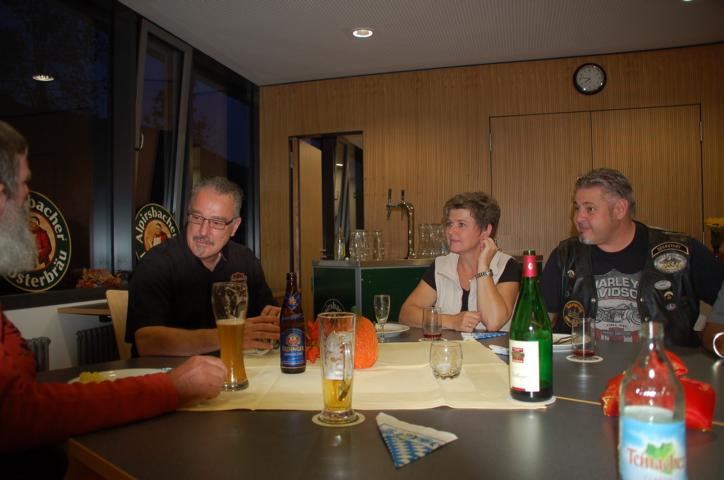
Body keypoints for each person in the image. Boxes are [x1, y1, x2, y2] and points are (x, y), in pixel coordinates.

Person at [0, 121, 227, 465]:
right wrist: (169, 388)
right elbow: (19, 414)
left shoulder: (242, 260)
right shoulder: (158, 262)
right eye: (22, 182)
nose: (27, 195)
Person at [540, 168, 724, 352]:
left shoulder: (681, 251)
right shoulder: (565, 256)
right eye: (577, 208)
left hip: (663, 367)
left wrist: (715, 338)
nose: (578, 218)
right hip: (582, 367)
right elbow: (538, 322)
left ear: (620, 209)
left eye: (590, 209)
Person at [126, 176, 280, 356]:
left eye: (217, 222)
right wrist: (228, 336)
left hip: (237, 367)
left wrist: (278, 319)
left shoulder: (245, 260)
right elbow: (147, 342)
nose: (203, 231)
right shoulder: (156, 265)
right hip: (171, 371)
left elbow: (269, 317)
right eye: (197, 217)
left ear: (234, 227)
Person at [399, 192, 521, 332]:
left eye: (461, 224)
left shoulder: (507, 266)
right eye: (449, 224)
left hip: (493, 347)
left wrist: (483, 267)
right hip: (448, 346)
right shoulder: (441, 266)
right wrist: (451, 321)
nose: (451, 231)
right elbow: (406, 314)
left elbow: (493, 322)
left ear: (485, 230)